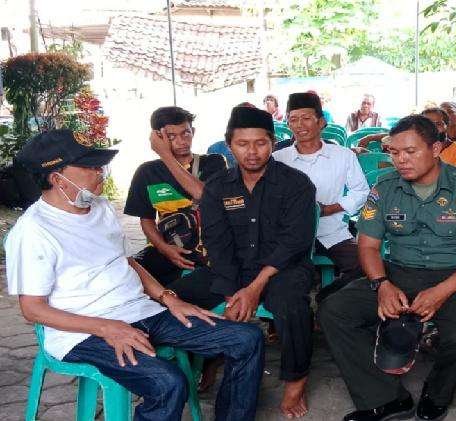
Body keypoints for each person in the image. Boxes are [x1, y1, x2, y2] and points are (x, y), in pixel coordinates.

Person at [5, 129, 264, 421]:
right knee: (167, 383)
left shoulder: (100, 208)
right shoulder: (33, 231)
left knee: (246, 339)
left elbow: (126, 262)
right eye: (90, 166)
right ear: (57, 179)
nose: (100, 172)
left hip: (140, 311)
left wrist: (169, 298)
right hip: (83, 332)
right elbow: (33, 309)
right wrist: (107, 328)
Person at [319, 115, 456, 421]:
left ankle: (438, 391)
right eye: (394, 152)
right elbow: (367, 245)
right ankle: (387, 398)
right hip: (398, 272)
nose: (401, 160)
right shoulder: (384, 187)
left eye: (410, 151)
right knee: (335, 310)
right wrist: (381, 284)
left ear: (435, 149)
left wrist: (442, 291)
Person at [169, 106, 317, 418]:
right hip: (232, 268)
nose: (252, 152)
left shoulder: (297, 183)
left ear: (272, 142)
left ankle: (296, 380)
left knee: (291, 304)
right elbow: (217, 243)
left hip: (283, 267)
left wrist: (255, 287)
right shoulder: (217, 187)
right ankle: (206, 359)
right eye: (242, 144)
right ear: (229, 145)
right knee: (176, 296)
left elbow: (294, 242)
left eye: (260, 143)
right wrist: (231, 293)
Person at [274, 92, 369, 297]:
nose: (300, 125)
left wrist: (329, 209)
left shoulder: (342, 155)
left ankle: (326, 298)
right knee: (282, 276)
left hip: (331, 232)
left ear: (321, 122)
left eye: (306, 118)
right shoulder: (277, 159)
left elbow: (361, 191)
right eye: (293, 119)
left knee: (366, 266)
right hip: (289, 234)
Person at [124, 107, 226, 287]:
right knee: (129, 276)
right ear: (158, 137)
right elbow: (146, 220)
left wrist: (165, 154)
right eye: (171, 136)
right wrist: (164, 249)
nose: (182, 141)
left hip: (211, 251)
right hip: (168, 247)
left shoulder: (214, 162)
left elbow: (203, 195)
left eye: (186, 133)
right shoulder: (147, 172)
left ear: (193, 132)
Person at [421, 107, 456, 172]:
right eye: (426, 125)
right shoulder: (417, 151)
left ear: (447, 126)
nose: (432, 128)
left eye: (438, 124)